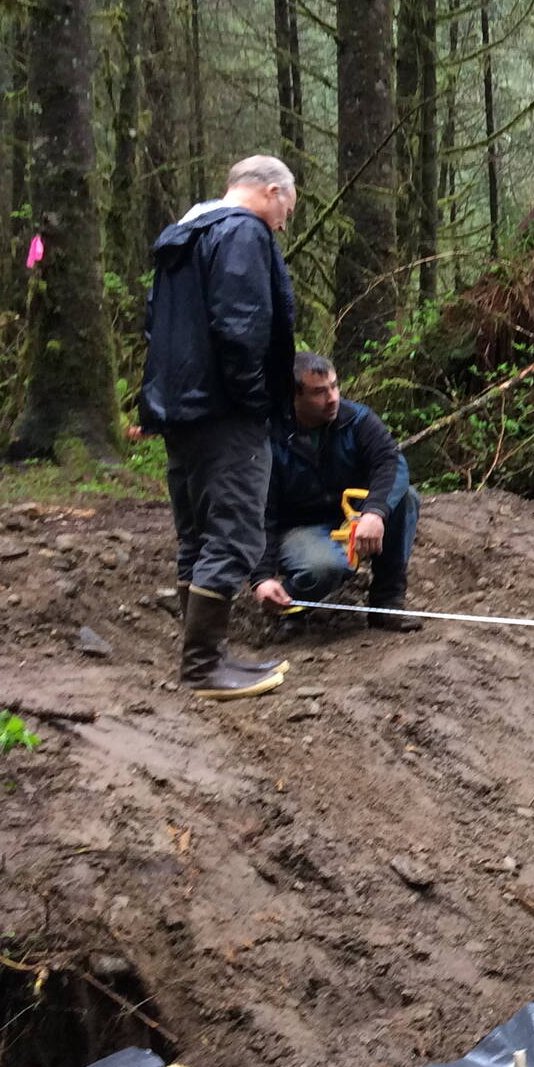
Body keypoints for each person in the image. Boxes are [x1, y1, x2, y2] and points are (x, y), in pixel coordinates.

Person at [138, 156, 299, 699]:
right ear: (272, 191)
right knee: (232, 533)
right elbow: (241, 328)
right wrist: (256, 402)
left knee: (198, 536)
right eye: (286, 212)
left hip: (180, 411)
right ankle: (203, 667)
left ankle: (209, 655)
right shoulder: (242, 233)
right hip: (226, 413)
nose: (282, 224)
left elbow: (151, 322)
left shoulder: (184, 236)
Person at [253, 353, 424, 633]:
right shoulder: (268, 438)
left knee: (406, 498)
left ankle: (387, 602)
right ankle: (291, 608)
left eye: (334, 386)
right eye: (319, 392)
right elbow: (261, 512)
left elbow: (390, 462)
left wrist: (375, 512)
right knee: (327, 567)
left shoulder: (357, 419)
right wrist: (261, 577)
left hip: (350, 515)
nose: (332, 397)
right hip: (298, 527)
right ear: (292, 396)